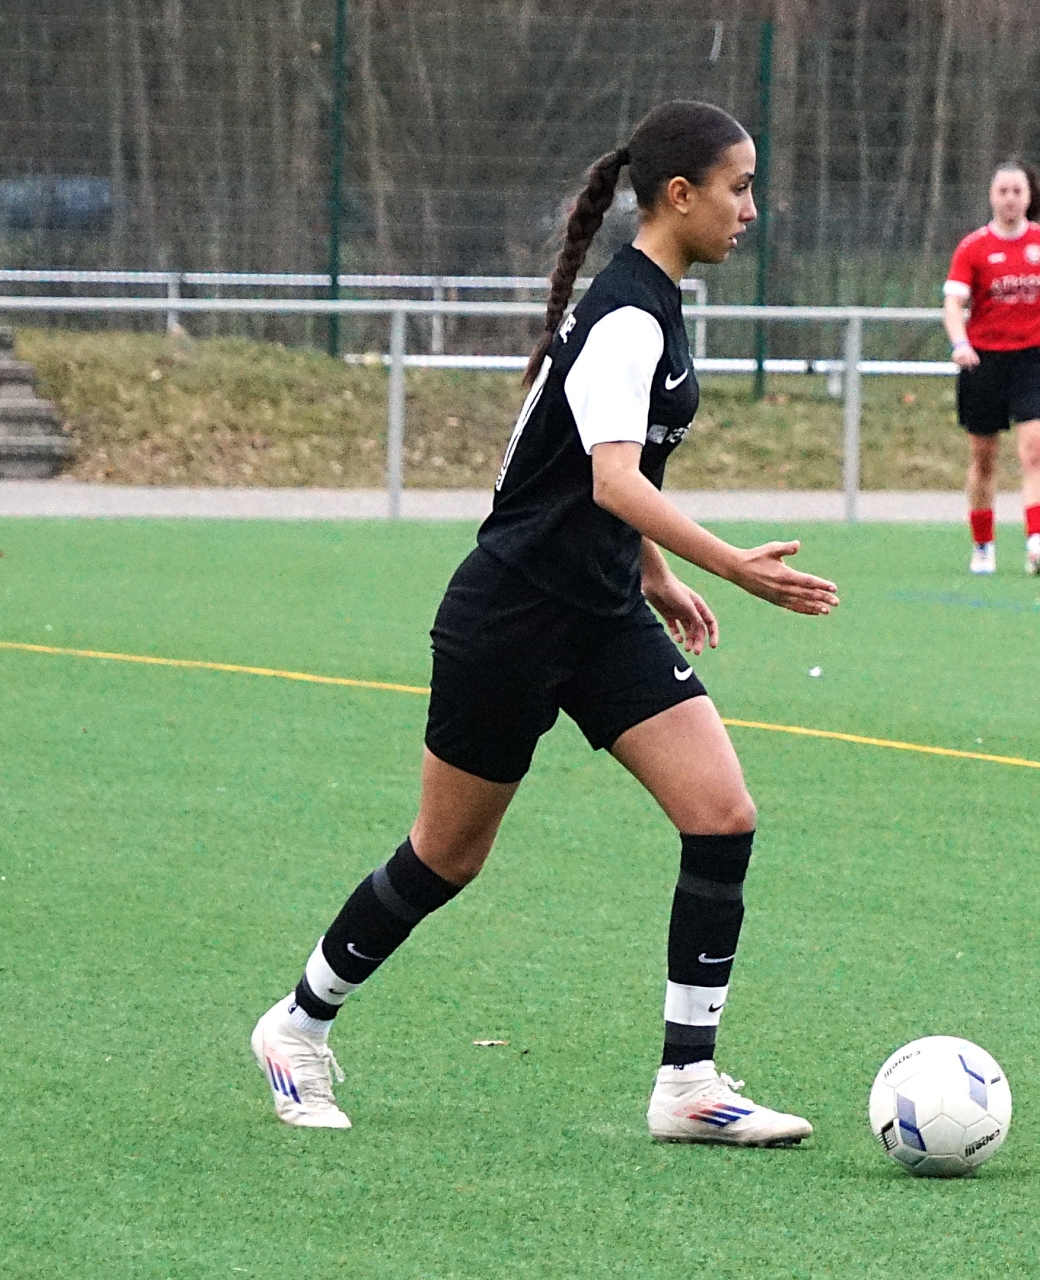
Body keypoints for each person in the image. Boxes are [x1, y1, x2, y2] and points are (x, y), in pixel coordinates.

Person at [251, 100, 840, 1147]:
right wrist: (733, 566)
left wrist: (654, 575)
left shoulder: (656, 305)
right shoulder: (628, 315)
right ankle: (297, 1025)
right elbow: (611, 479)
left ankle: (688, 1082)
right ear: (680, 195)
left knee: (722, 815)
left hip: (601, 614)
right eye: (740, 187)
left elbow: (598, 467)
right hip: (512, 617)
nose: (753, 208)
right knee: (446, 856)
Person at [942, 160, 1040, 575]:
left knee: (1035, 452)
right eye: (1002, 191)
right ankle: (982, 545)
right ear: (992, 196)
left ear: (1028, 196)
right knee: (984, 459)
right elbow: (953, 304)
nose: (1010, 198)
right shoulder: (973, 247)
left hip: (1033, 358)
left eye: (1017, 191)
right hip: (984, 360)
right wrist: (960, 344)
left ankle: (1036, 544)